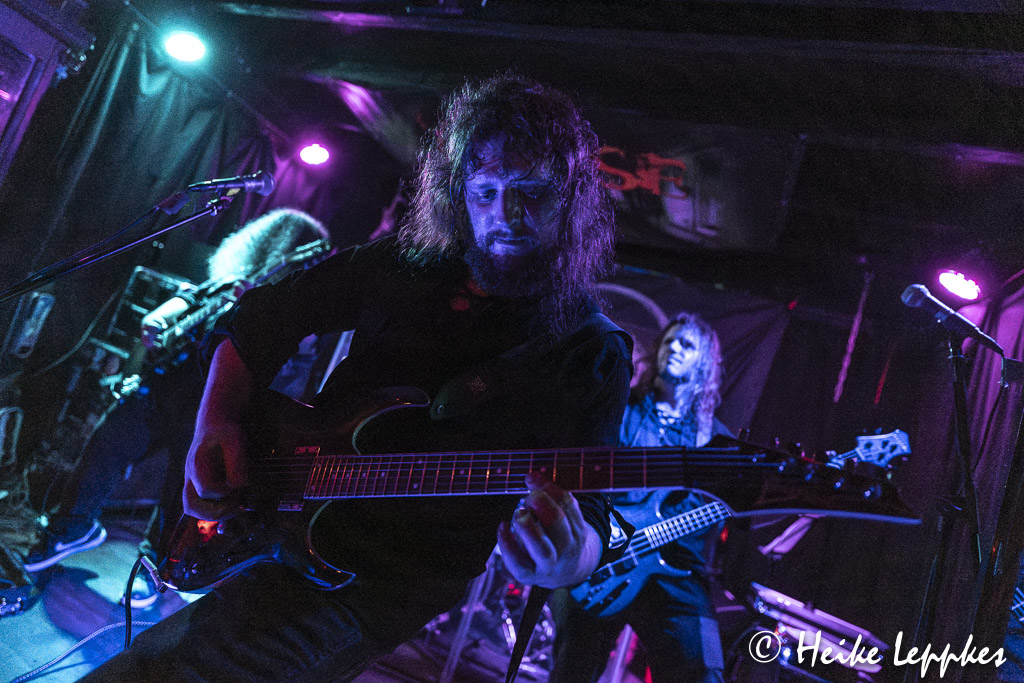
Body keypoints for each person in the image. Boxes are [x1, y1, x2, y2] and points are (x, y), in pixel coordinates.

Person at [80, 73, 633, 681]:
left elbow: (592, 511)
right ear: (459, 194)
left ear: (572, 200)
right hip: (272, 509)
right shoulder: (408, 265)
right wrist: (219, 421)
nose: (506, 215)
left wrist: (568, 559)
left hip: (378, 580)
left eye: (532, 191)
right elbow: (261, 317)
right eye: (486, 191)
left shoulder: (591, 349)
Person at [22, 209, 331, 608]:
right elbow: (186, 300)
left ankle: (157, 569)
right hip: (163, 387)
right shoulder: (228, 283)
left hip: (211, 410)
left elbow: (291, 375)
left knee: (179, 492)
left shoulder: (289, 313)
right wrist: (159, 318)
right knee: (105, 447)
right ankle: (71, 528)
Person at [549, 311, 729, 683]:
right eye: (669, 341)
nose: (674, 348)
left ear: (705, 363)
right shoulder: (623, 409)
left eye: (687, 344)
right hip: (604, 557)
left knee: (704, 673)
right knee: (572, 669)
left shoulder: (715, 439)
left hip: (676, 569)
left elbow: (730, 503)